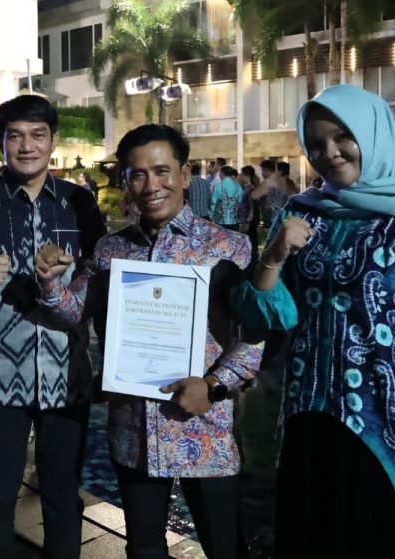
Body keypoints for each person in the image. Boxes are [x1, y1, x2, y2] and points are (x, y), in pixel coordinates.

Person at [235, 84, 395, 559]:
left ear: (373, 133)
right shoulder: (304, 213)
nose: (329, 153)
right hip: (308, 424)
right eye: (315, 144)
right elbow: (267, 316)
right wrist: (272, 257)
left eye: (342, 136)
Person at [35, 124, 260, 559]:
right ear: (126, 181)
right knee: (143, 548)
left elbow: (254, 338)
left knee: (225, 548)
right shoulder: (111, 251)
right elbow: (71, 312)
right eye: (138, 174)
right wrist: (50, 281)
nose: (151, 185)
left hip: (204, 426)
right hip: (133, 430)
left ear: (185, 174)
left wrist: (213, 385)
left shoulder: (228, 248)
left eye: (162, 171)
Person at [0, 95, 105, 559]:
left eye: (38, 135)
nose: (26, 146)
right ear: (2, 142)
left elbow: (101, 276)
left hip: (66, 375)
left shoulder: (79, 202)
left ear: (53, 141)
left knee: (62, 494)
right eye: (14, 136)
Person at [250, 159, 289, 230]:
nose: (262, 173)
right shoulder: (282, 181)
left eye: (262, 171)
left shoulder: (268, 182)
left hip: (270, 216)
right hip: (281, 215)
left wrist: (254, 187)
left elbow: (254, 195)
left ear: (265, 170)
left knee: (269, 236)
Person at [209, 165, 244, 231]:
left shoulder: (218, 186)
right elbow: (240, 203)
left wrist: (210, 216)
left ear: (222, 173)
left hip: (220, 220)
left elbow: (213, 204)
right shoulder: (238, 186)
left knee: (222, 237)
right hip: (234, 220)